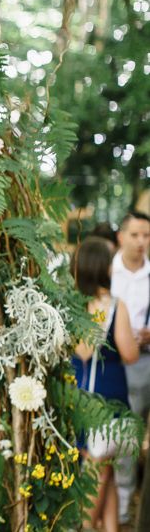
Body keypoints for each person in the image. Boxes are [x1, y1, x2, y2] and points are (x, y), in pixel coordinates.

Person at [71, 237, 139, 532]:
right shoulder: (114, 305)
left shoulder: (72, 307)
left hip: (78, 394)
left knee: (102, 467)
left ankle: (111, 529)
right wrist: (134, 338)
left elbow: (77, 351)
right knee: (98, 472)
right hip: (107, 398)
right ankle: (85, 527)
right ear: (101, 267)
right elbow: (129, 354)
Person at [110, 211, 150, 524]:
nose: (141, 242)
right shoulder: (108, 272)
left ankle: (128, 501)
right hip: (112, 362)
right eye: (135, 235)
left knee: (133, 434)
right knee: (116, 434)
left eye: (147, 236)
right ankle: (115, 505)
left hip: (145, 358)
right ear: (121, 236)